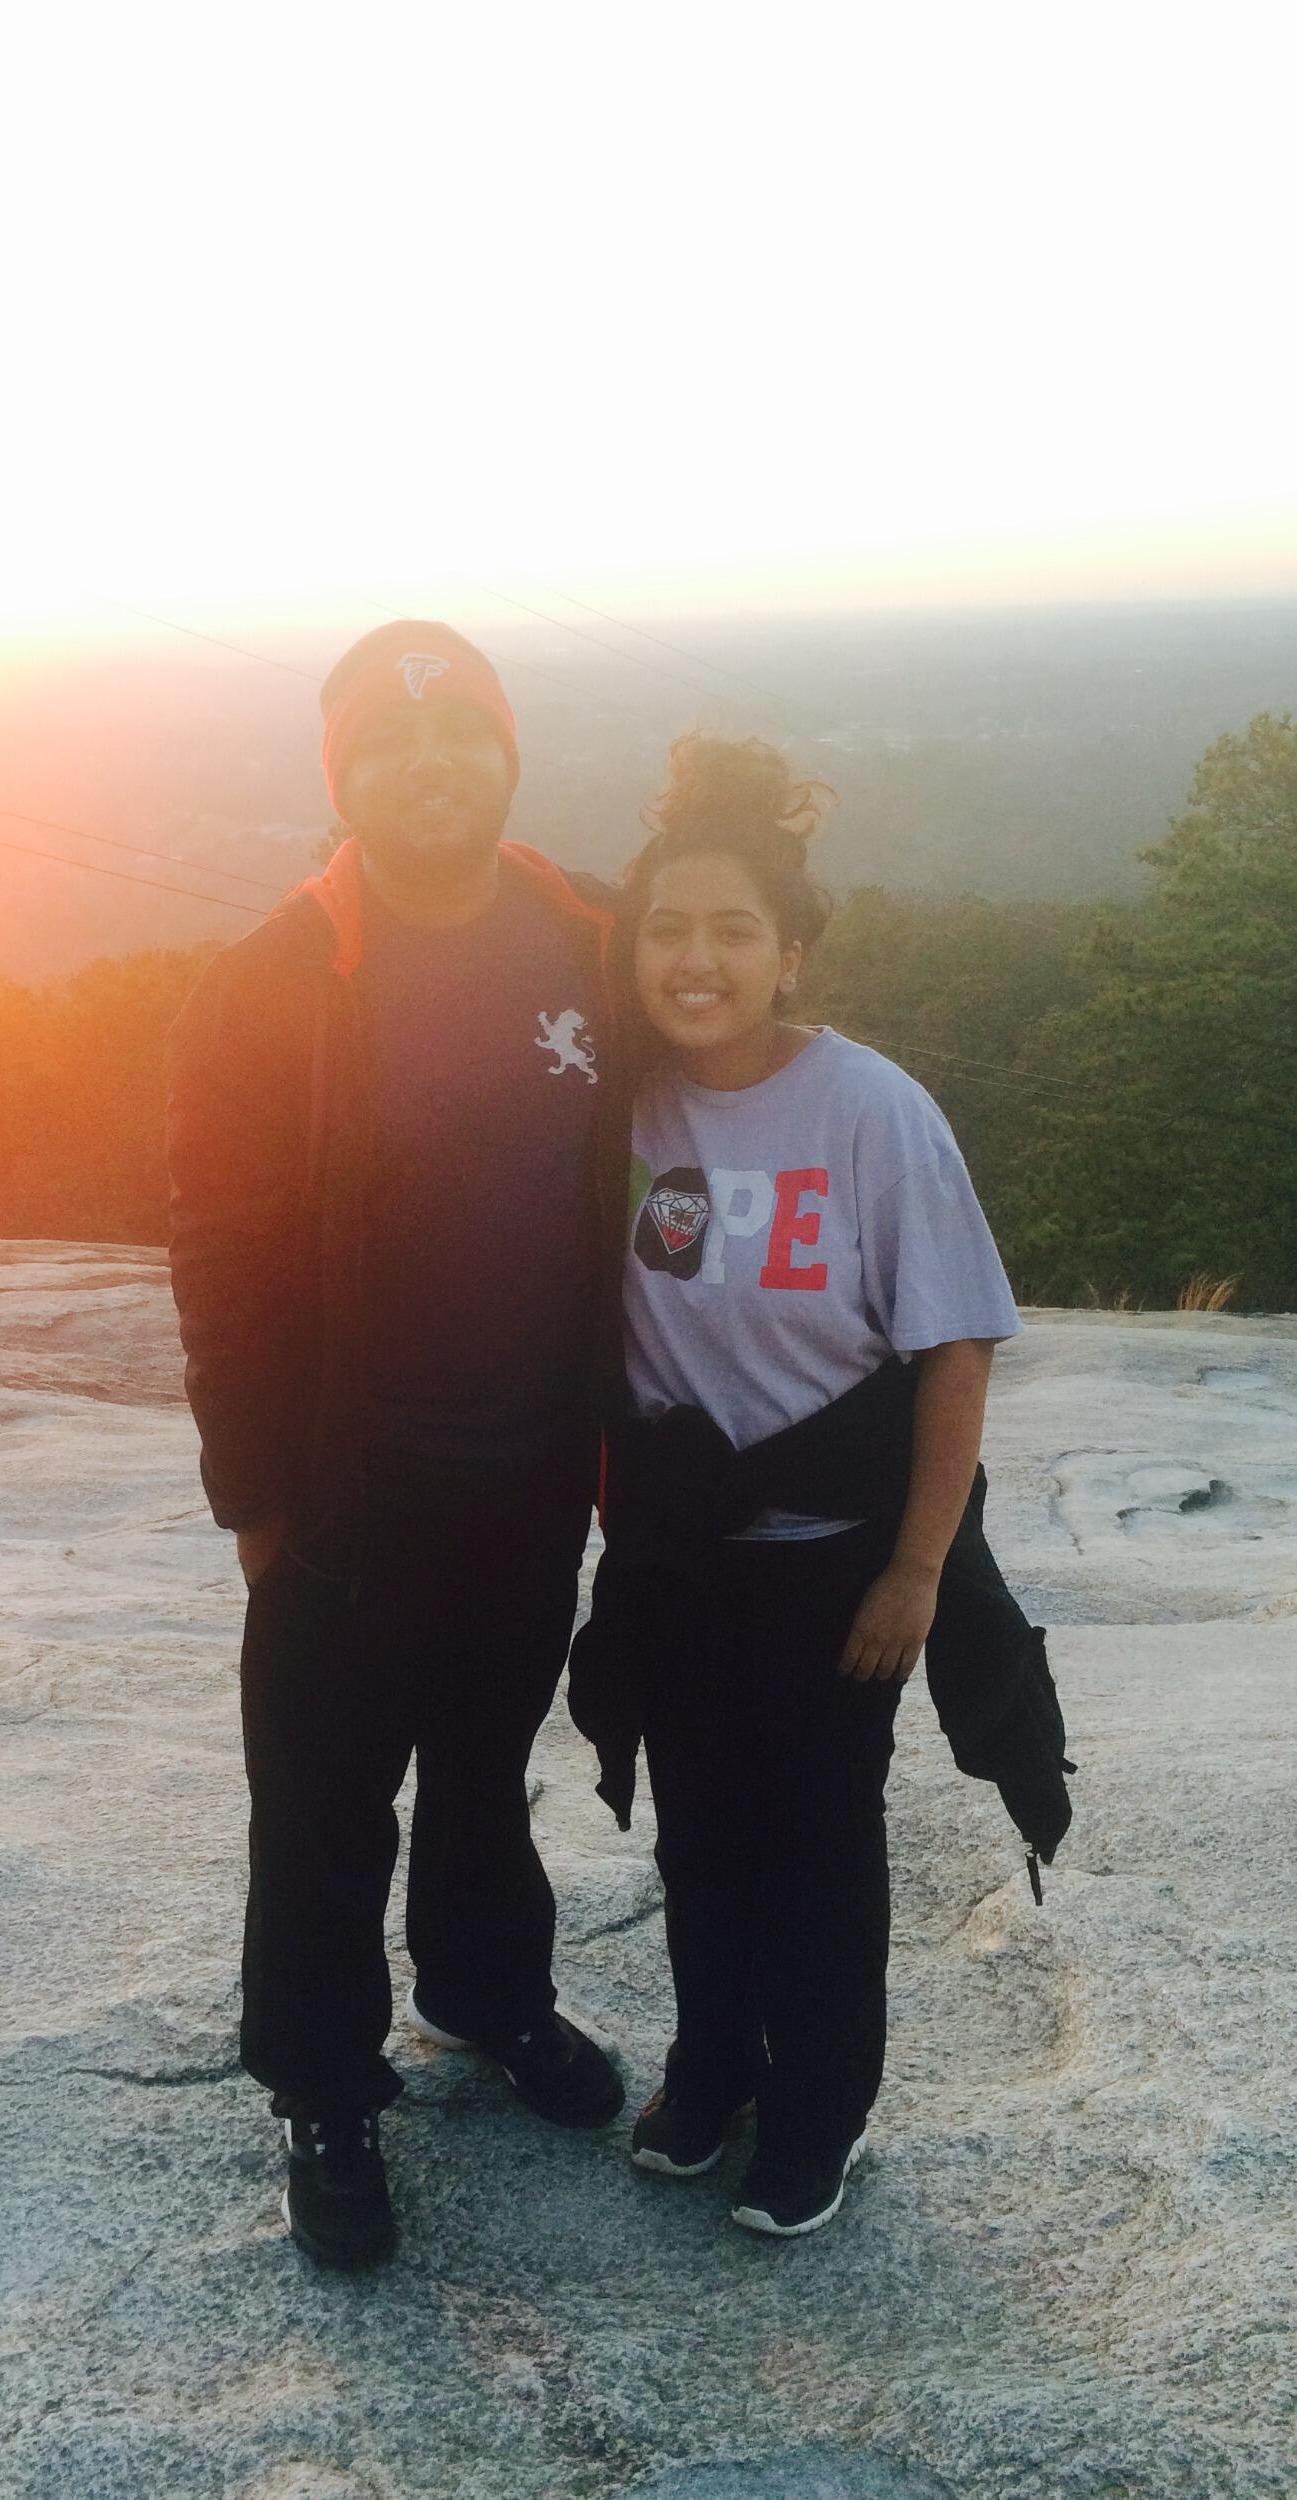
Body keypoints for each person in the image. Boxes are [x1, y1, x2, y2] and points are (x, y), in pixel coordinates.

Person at [166, 619, 626, 2270]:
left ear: (506, 752)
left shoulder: (587, 936)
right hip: (347, 1492)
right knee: (323, 1804)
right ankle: (324, 2087)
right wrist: (256, 1504)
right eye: (391, 746)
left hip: (527, 1476)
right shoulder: (275, 976)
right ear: (344, 776)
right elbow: (216, 1254)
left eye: (464, 737)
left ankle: (492, 1999)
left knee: (488, 1779)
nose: (433, 769)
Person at [568, 733, 1071, 2240]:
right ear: (631, 948)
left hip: (834, 1565)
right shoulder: (620, 1108)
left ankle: (820, 2107)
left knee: (819, 1847)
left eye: (735, 932)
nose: (697, 959)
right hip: (681, 1562)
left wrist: (916, 1572)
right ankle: (713, 2067)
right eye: (668, 928)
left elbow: (955, 1356)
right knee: (700, 1833)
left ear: (790, 955)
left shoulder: (870, 1112)